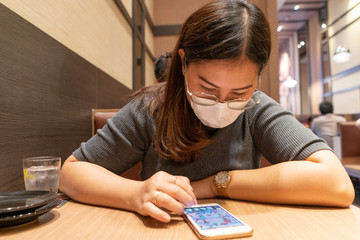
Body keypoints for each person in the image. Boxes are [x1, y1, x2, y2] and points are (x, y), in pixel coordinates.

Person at [60, 0, 354, 223]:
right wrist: (134, 194)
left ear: (259, 79)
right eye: (207, 89)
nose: (222, 103)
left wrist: (216, 184)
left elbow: (337, 184)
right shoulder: (150, 109)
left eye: (239, 92)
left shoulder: (257, 110)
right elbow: (71, 173)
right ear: (184, 62)